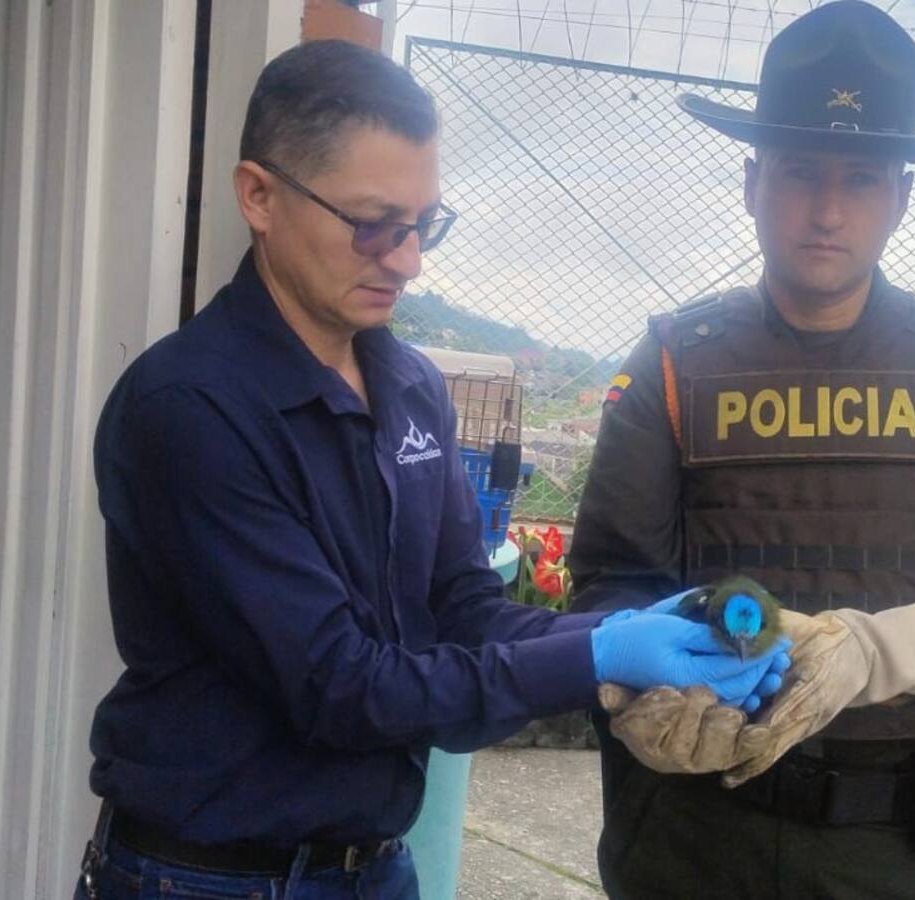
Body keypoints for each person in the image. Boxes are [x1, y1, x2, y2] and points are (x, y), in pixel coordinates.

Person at [75, 40, 791, 900]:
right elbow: (339, 686)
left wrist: (642, 635)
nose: (408, 260)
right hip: (208, 879)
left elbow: (463, 608)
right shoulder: (189, 412)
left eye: (425, 225)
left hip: (376, 865)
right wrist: (598, 654)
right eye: (374, 224)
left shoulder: (408, 386)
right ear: (258, 195)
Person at [570, 2, 915, 897]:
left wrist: (884, 650)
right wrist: (646, 691)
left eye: (860, 178)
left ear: (900, 195)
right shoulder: (674, 362)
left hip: (901, 852)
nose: (826, 209)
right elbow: (610, 585)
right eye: (798, 172)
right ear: (750, 183)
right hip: (697, 844)